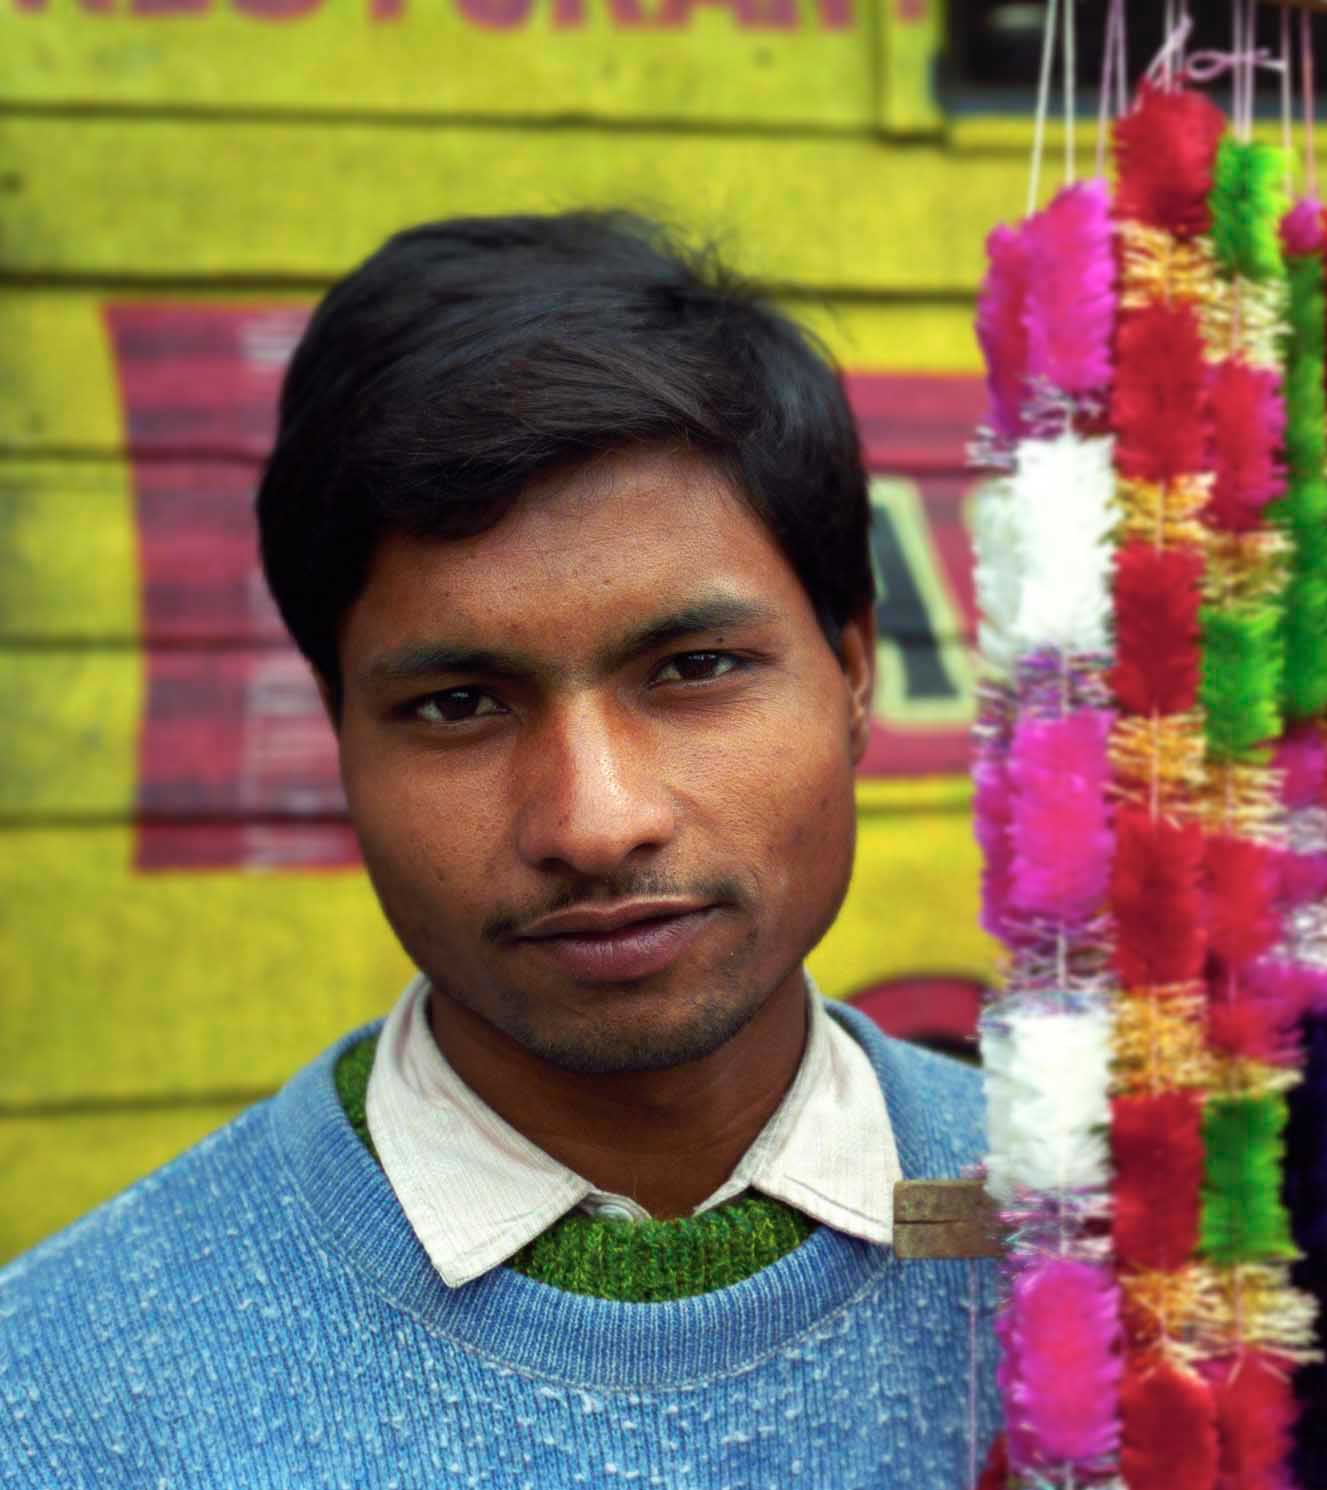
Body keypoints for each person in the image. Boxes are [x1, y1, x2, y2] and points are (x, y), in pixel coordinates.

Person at [0, 212, 997, 1487]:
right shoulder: (61, 1401)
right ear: (340, 730)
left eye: (693, 669)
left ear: (853, 667)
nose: (594, 819)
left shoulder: (1157, 1259)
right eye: (459, 703)